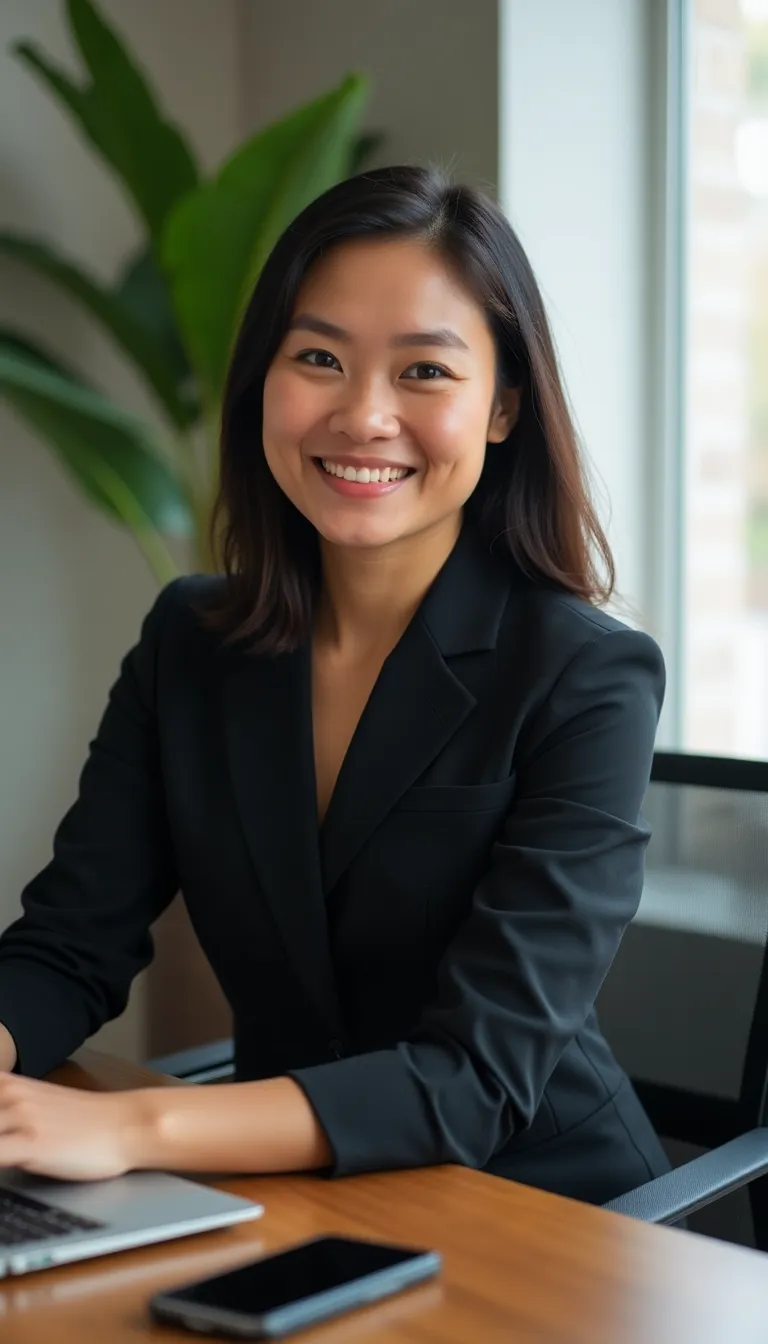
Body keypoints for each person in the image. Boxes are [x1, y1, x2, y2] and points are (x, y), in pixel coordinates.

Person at [0, 165, 669, 1202]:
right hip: (286, 1188)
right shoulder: (192, 639)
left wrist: (126, 1125)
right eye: (319, 357)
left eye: (425, 372)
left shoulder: (588, 675)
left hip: (538, 1205)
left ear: (503, 409)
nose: (363, 416)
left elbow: (474, 1081)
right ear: (263, 379)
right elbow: (67, 945)